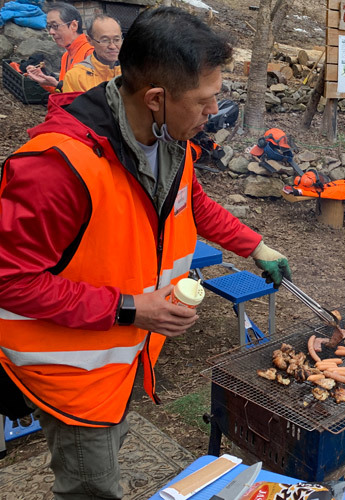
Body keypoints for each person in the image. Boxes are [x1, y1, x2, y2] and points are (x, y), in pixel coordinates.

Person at [0, 7, 290, 499]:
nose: (212, 112)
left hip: (122, 356)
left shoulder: (170, 142)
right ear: (156, 98)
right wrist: (131, 309)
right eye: (204, 100)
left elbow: (192, 206)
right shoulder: (55, 167)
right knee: (91, 488)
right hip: (72, 374)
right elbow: (10, 281)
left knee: (111, 446)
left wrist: (255, 245)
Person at [26, 2, 94, 92]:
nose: (51, 32)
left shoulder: (90, 52)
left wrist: (57, 84)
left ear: (74, 25)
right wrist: (44, 81)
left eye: (55, 26)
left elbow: (90, 95)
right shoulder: (66, 56)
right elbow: (63, 93)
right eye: (49, 26)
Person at [61, 14, 122, 93]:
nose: (112, 46)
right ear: (89, 40)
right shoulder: (75, 77)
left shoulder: (132, 71)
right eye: (105, 40)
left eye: (117, 40)